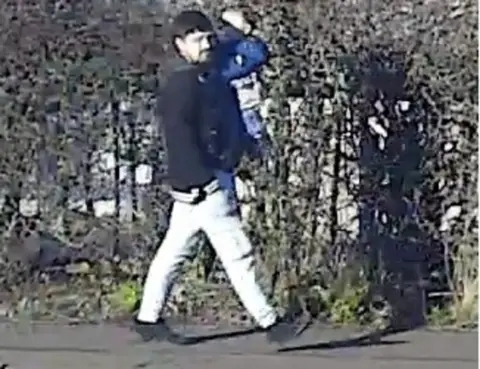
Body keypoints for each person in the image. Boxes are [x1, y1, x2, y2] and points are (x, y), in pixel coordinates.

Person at [132, 10, 302, 345]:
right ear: (180, 45)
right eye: (197, 39)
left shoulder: (203, 73)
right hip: (206, 184)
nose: (206, 43)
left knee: (174, 252)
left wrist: (240, 30)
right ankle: (271, 323)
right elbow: (178, 138)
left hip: (203, 182)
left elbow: (252, 56)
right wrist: (198, 180)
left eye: (208, 37)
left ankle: (147, 318)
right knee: (237, 252)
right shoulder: (183, 82)